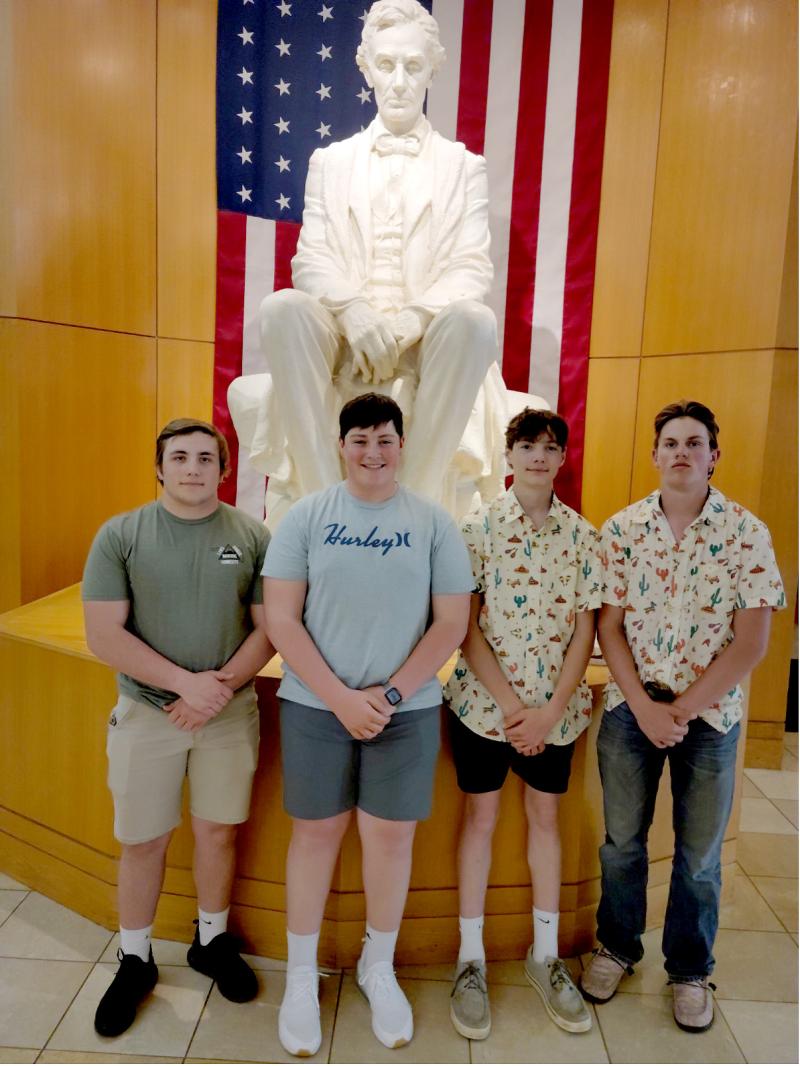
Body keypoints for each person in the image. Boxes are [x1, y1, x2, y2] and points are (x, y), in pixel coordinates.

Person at [262, 393, 472, 1055]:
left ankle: (376, 966)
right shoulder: (306, 518)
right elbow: (282, 619)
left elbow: (451, 623)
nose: (373, 453)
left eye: (384, 439)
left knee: (388, 838)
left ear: (401, 445)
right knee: (317, 832)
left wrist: (386, 693)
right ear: (342, 445)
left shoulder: (434, 523)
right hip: (315, 705)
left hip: (404, 711)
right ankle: (301, 976)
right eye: (360, 440)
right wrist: (340, 698)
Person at [580, 400, 785, 1033]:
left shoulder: (747, 532)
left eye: (694, 443)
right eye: (670, 442)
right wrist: (644, 705)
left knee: (698, 856)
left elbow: (751, 641)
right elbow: (607, 628)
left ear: (713, 456)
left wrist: (682, 711)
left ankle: (690, 970)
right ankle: (616, 948)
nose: (681, 453)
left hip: (711, 719)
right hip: (630, 712)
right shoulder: (622, 530)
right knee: (622, 845)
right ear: (654, 455)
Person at [254, 0, 503, 508]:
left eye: (413, 67)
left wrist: (413, 317)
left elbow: (471, 266)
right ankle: (328, 501)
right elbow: (312, 260)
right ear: (365, 68)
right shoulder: (330, 161)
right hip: (346, 337)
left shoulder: (463, 167)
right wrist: (353, 311)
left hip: (427, 339)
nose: (399, 81)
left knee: (475, 320)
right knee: (281, 308)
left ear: (432, 69)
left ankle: (418, 501)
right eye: (387, 65)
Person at [82, 418, 274, 1037]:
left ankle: (210, 943)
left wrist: (213, 692)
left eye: (206, 458)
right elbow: (104, 635)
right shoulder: (121, 535)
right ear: (160, 468)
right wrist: (185, 685)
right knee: (143, 840)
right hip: (147, 714)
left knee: (218, 834)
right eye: (180, 457)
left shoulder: (252, 535)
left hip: (228, 714)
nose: (193, 468)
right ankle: (134, 958)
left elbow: (270, 628)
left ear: (223, 469)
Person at [444, 408, 600, 1038]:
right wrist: (512, 708)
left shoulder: (585, 537)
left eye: (550, 447)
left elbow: (586, 631)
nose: (539, 456)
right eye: (527, 446)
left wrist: (551, 710)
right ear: (508, 455)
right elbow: (466, 625)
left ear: (563, 458)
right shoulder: (477, 527)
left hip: (555, 717)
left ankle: (545, 955)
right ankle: (470, 958)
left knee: (544, 819)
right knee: (479, 819)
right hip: (485, 712)